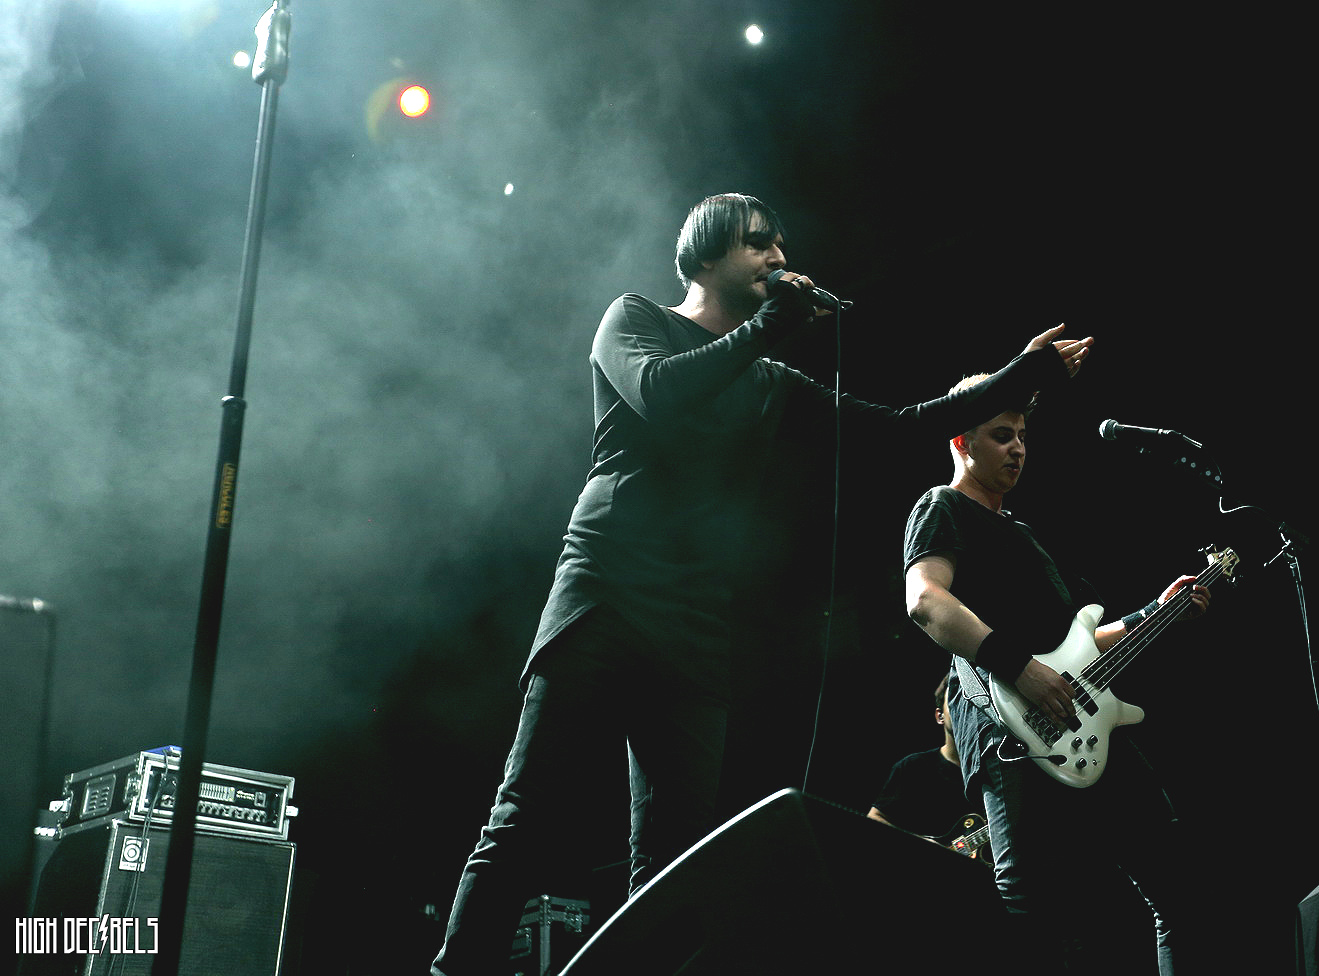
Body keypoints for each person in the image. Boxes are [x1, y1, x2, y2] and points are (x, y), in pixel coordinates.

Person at [430, 193, 1091, 974]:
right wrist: (769, 327)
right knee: (527, 816)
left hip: (693, 630)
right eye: (757, 243)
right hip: (603, 596)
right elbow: (660, 393)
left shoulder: (769, 380)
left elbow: (900, 424)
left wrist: (1020, 372)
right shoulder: (635, 319)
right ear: (705, 256)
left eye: (780, 245)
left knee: (672, 857)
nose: (778, 257)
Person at [902, 383, 1211, 973]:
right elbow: (925, 600)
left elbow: (1077, 646)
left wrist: (1158, 612)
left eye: (1023, 436)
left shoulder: (1024, 535)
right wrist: (1020, 669)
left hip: (1079, 720)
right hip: (1005, 726)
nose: (1018, 448)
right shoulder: (942, 506)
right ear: (962, 441)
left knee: (1178, 886)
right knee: (1032, 907)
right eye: (1002, 435)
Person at [867, 674, 987, 861]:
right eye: (954, 701)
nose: (963, 710)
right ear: (940, 716)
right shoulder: (914, 768)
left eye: (969, 702)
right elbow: (875, 820)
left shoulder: (994, 774)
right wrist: (921, 845)